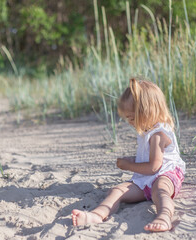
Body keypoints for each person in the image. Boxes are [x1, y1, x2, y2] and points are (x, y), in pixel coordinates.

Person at [72, 77, 185, 232]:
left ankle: (164, 216)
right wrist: (132, 160)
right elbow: (147, 160)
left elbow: (154, 167)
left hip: (166, 174)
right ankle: (98, 214)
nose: (129, 121)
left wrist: (128, 165)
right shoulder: (146, 132)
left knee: (160, 191)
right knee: (117, 190)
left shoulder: (159, 134)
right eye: (127, 118)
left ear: (148, 111)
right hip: (146, 179)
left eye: (132, 117)